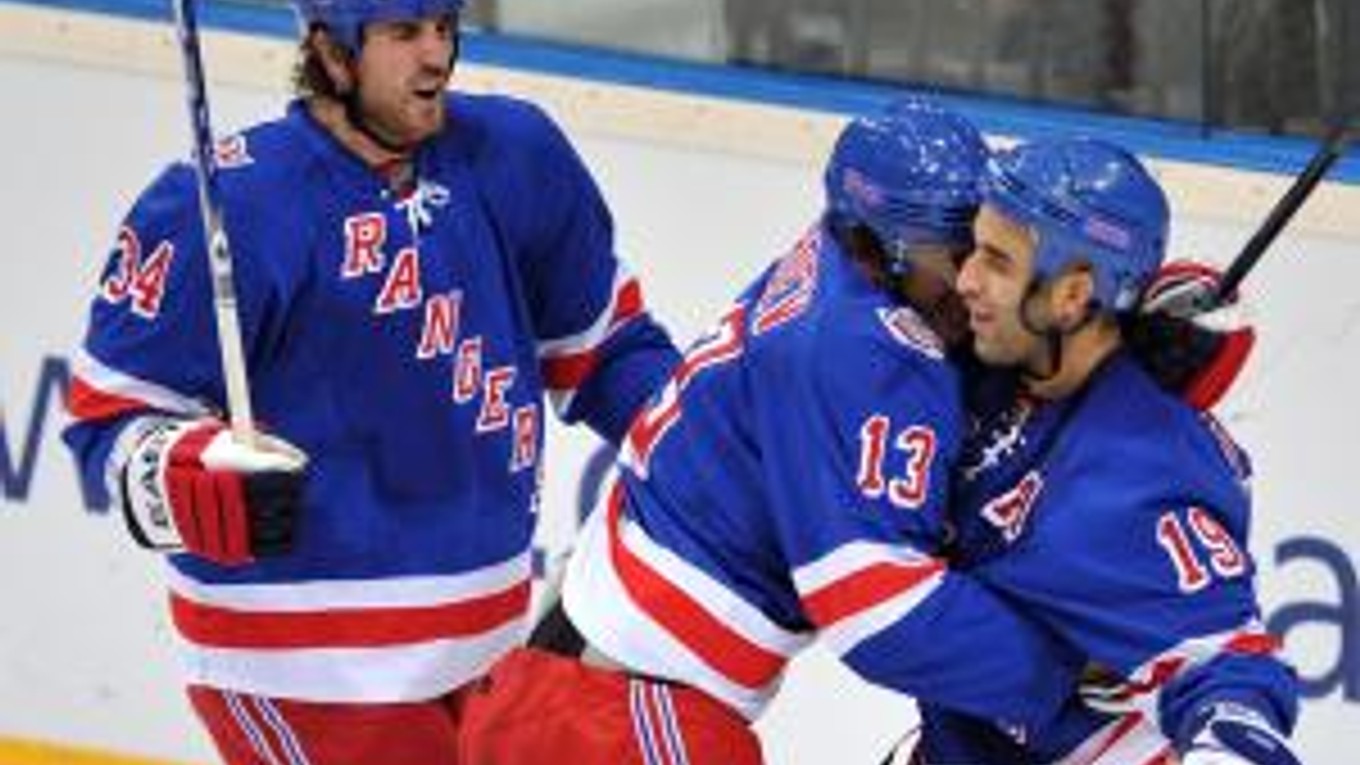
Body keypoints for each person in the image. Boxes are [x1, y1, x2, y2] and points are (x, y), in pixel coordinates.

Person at [61, 1, 678, 763]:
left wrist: (698, 436)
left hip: (484, 646)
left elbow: (607, 351)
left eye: (444, 27)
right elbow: (109, 415)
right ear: (331, 53)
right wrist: (178, 469)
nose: (435, 57)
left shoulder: (515, 155)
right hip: (298, 662)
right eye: (403, 34)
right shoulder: (231, 204)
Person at [457, 97, 1091, 765]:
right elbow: (879, 610)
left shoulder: (839, 260)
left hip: (576, 690)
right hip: (618, 720)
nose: (970, 279)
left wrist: (1103, 321)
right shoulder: (866, 348)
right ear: (888, 248)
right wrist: (1064, 676)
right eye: (956, 252)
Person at [902, 137, 1301, 764]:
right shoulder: (993, 360)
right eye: (971, 250)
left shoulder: (1143, 478)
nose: (966, 280)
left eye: (996, 261)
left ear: (1071, 295)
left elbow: (1231, 675)